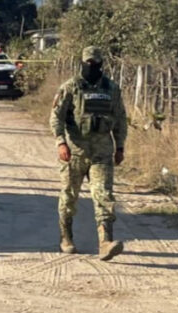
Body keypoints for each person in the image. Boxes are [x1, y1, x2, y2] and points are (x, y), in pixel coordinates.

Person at [49, 46, 127, 260]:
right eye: (88, 63)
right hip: (74, 152)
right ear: (82, 63)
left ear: (101, 64)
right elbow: (56, 117)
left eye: (95, 63)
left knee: (104, 195)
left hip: (102, 152)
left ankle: (105, 242)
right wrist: (60, 142)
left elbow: (120, 119)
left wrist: (120, 146)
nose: (92, 66)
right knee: (69, 196)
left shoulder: (111, 89)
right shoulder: (70, 87)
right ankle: (66, 237)